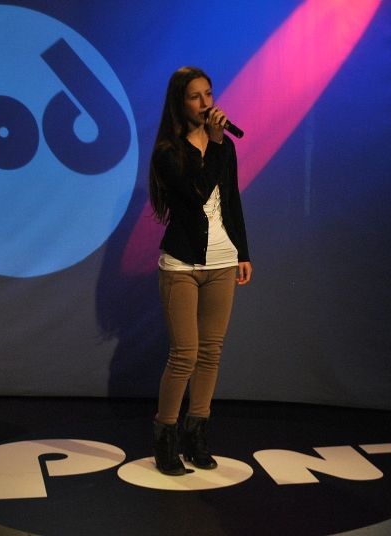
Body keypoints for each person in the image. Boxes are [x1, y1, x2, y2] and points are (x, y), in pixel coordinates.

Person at [148, 66, 252, 475]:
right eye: (196, 96)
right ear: (180, 102)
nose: (206, 102)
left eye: (209, 93)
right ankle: (166, 439)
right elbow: (196, 195)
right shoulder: (168, 151)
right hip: (182, 264)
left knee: (211, 352)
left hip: (223, 260)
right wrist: (214, 143)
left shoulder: (224, 146)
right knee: (184, 355)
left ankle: (197, 437)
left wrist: (243, 252)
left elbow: (231, 201)